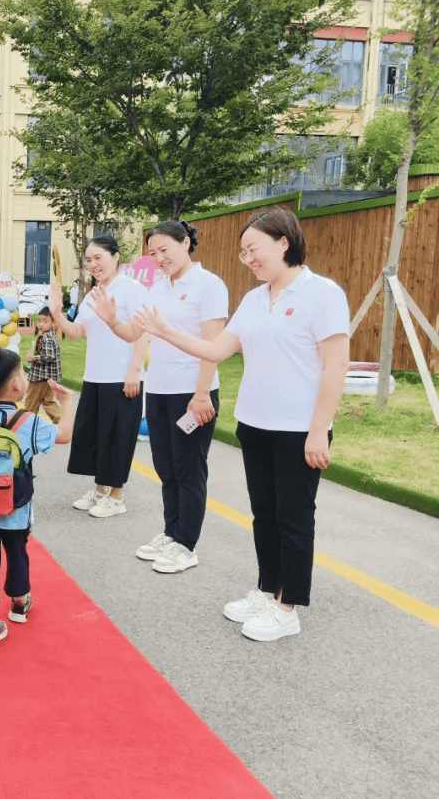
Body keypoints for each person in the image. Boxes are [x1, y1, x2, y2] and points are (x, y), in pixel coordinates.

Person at [132, 208, 350, 641]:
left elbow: (336, 366)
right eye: (243, 252)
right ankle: (267, 589)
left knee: (293, 517)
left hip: (297, 430)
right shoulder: (254, 299)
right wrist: (165, 330)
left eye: (254, 249)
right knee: (263, 515)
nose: (247, 259)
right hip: (255, 424)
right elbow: (215, 351)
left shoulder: (321, 294)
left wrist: (317, 430)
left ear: (283, 242)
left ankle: (288, 607)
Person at [89, 221, 228, 573]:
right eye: (153, 253)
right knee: (166, 468)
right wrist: (111, 321)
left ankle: (186, 544)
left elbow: (214, 347)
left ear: (185, 243)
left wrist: (201, 394)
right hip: (160, 391)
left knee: (188, 468)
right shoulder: (159, 288)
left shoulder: (209, 285)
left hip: (193, 392)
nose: (159, 258)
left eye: (165, 250)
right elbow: (133, 333)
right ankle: (171, 533)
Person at [0, 346, 74, 649]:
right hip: (15, 510)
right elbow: (64, 435)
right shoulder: (28, 422)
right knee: (17, 553)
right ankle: (19, 602)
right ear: (18, 385)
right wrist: (67, 402)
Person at [48, 235, 150, 518]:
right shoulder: (93, 294)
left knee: (118, 436)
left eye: (98, 258)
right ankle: (101, 489)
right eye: (88, 260)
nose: (93, 265)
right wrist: (56, 314)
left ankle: (117, 496)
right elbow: (77, 332)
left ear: (116, 257)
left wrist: (134, 370)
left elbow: (143, 330)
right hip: (95, 376)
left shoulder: (132, 289)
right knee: (95, 435)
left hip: (122, 376)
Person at [24, 307, 63, 425]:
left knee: (31, 403)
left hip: (39, 378)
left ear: (54, 323)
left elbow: (48, 356)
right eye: (39, 321)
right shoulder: (50, 336)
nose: (41, 324)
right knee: (48, 402)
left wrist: (33, 358)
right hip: (49, 378)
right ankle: (62, 422)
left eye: (45, 321)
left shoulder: (46, 337)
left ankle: (27, 425)